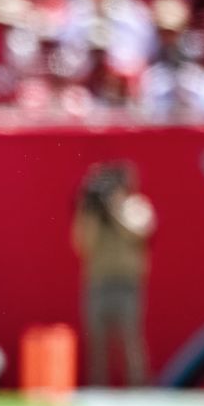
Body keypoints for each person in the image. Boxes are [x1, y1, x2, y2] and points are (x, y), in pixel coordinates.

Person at [70, 162, 156, 386]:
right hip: (99, 282)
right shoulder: (94, 213)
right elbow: (83, 244)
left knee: (130, 341)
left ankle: (139, 386)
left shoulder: (136, 205)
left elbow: (137, 233)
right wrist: (89, 209)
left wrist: (113, 209)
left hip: (127, 284)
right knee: (96, 342)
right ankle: (98, 388)